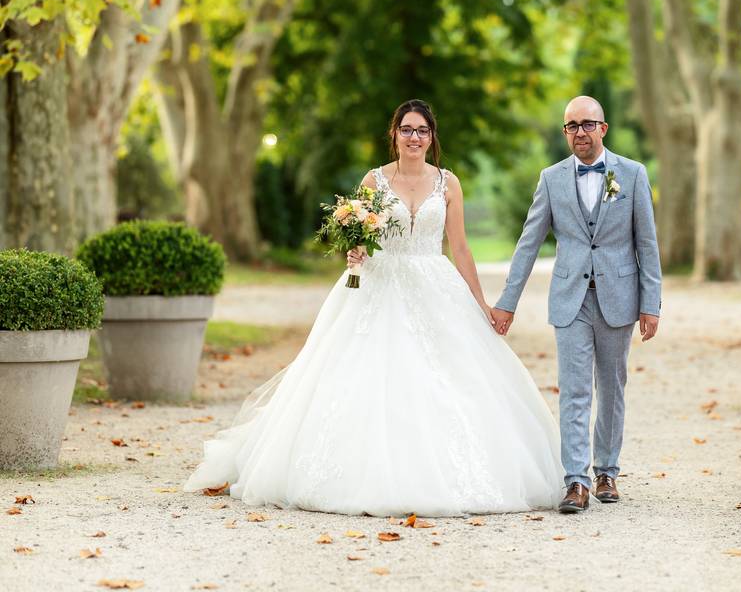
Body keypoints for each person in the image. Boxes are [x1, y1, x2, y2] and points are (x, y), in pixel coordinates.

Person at [184, 99, 563, 516]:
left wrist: (482, 305)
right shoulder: (375, 180)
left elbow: (460, 249)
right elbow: (360, 236)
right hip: (380, 285)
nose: (414, 137)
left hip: (436, 285)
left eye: (422, 130)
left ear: (432, 137)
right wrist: (356, 252)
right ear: (394, 135)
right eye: (407, 130)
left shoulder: (447, 183)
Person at [491, 95, 662, 513]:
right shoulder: (551, 179)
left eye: (588, 124)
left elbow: (647, 243)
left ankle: (607, 471)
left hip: (619, 298)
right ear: (565, 132)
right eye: (572, 126)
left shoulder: (633, 175)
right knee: (574, 390)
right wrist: (507, 302)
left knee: (612, 387)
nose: (580, 132)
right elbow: (528, 242)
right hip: (570, 299)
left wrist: (651, 302)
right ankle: (576, 481)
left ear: (603, 128)